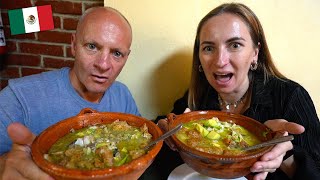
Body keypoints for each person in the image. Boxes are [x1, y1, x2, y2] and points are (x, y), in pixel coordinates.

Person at [155, 3, 320, 180]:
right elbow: (168, 136)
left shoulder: (290, 96)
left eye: (235, 45)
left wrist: (284, 156)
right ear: (199, 59)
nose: (220, 61)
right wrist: (163, 133)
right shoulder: (198, 95)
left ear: (255, 53)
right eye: (209, 48)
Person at [0, 7, 140, 179]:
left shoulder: (123, 95)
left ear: (127, 57)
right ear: (73, 45)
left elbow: (143, 143)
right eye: (92, 46)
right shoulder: (17, 98)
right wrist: (4, 165)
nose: (103, 65)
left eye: (117, 53)